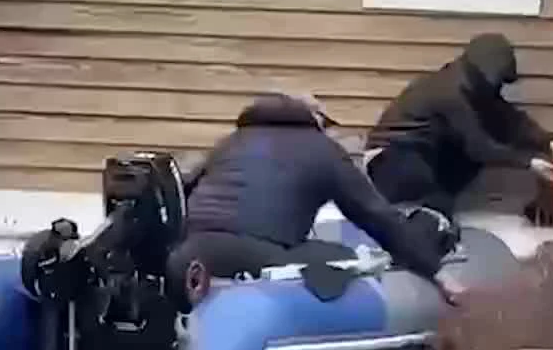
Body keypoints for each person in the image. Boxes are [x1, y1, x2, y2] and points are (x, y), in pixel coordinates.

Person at [168, 92, 461, 308]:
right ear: (316, 119)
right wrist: (435, 270)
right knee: (340, 257)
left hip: (189, 252)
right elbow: (376, 216)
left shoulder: (230, 143)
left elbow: (186, 189)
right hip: (255, 255)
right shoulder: (323, 150)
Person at [364, 32, 553, 221]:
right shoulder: (450, 92)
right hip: (388, 159)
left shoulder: (473, 88)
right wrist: (530, 161)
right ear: (483, 74)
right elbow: (480, 148)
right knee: (434, 201)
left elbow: (511, 120)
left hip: (418, 154)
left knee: (465, 161)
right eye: (497, 81)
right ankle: (419, 224)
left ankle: (434, 209)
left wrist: (550, 144)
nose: (498, 86)